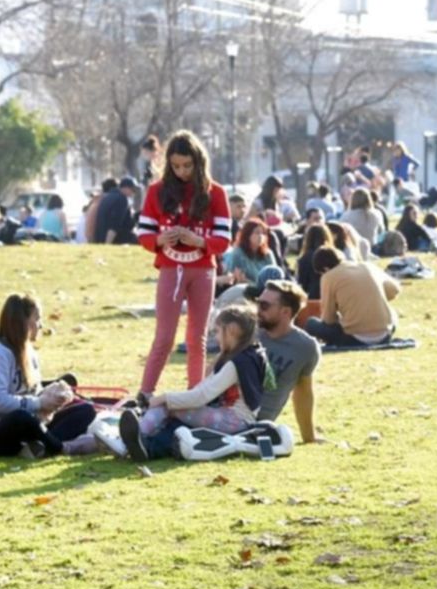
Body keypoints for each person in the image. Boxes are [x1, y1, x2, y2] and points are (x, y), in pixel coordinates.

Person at [135, 131, 232, 403]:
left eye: (187, 166)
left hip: (203, 270)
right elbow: (143, 234)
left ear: (198, 162)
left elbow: (224, 240)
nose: (182, 172)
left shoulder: (216, 193)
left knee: (197, 338)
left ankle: (195, 394)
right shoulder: (156, 191)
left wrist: (199, 240)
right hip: (170, 269)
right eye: (176, 166)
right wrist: (159, 239)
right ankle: (145, 393)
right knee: (164, 336)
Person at [119, 306, 274, 462]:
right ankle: (143, 444)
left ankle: (133, 439)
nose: (217, 338)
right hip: (230, 417)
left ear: (232, 330)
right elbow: (203, 387)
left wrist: (164, 398)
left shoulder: (238, 363)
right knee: (175, 415)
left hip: (234, 420)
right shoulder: (248, 355)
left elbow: (201, 396)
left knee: (167, 406)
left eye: (218, 332)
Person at [0, 294, 97, 458]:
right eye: (37, 319)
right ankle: (62, 448)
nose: (41, 325)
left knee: (85, 410)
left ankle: (37, 447)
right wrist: (39, 402)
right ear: (22, 322)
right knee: (22, 418)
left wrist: (53, 398)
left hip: (31, 424)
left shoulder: (31, 353)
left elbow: (34, 394)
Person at [255, 279, 322, 444]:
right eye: (258, 303)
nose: (257, 310)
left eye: (264, 306)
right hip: (223, 412)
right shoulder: (248, 332)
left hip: (257, 425)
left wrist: (309, 438)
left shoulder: (306, 347)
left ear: (285, 312)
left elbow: (303, 392)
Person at [305, 247, 400, 347]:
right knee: (392, 312)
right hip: (385, 334)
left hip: (354, 338)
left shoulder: (329, 277)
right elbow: (394, 290)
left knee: (311, 323)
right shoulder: (366, 266)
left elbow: (329, 319)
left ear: (325, 269)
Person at [219, 218, 276, 288]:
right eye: (257, 233)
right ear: (247, 234)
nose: (261, 236)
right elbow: (235, 278)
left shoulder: (268, 254)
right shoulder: (238, 253)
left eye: (263, 233)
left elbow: (275, 276)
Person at [94, 177, 139, 245]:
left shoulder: (108, 196)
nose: (133, 193)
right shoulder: (121, 199)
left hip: (100, 237)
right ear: (126, 188)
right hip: (112, 239)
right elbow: (114, 224)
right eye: (132, 189)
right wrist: (107, 244)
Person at [295, 224, 333, 299]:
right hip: (332, 294)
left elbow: (302, 283)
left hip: (313, 297)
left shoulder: (305, 257)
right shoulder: (333, 254)